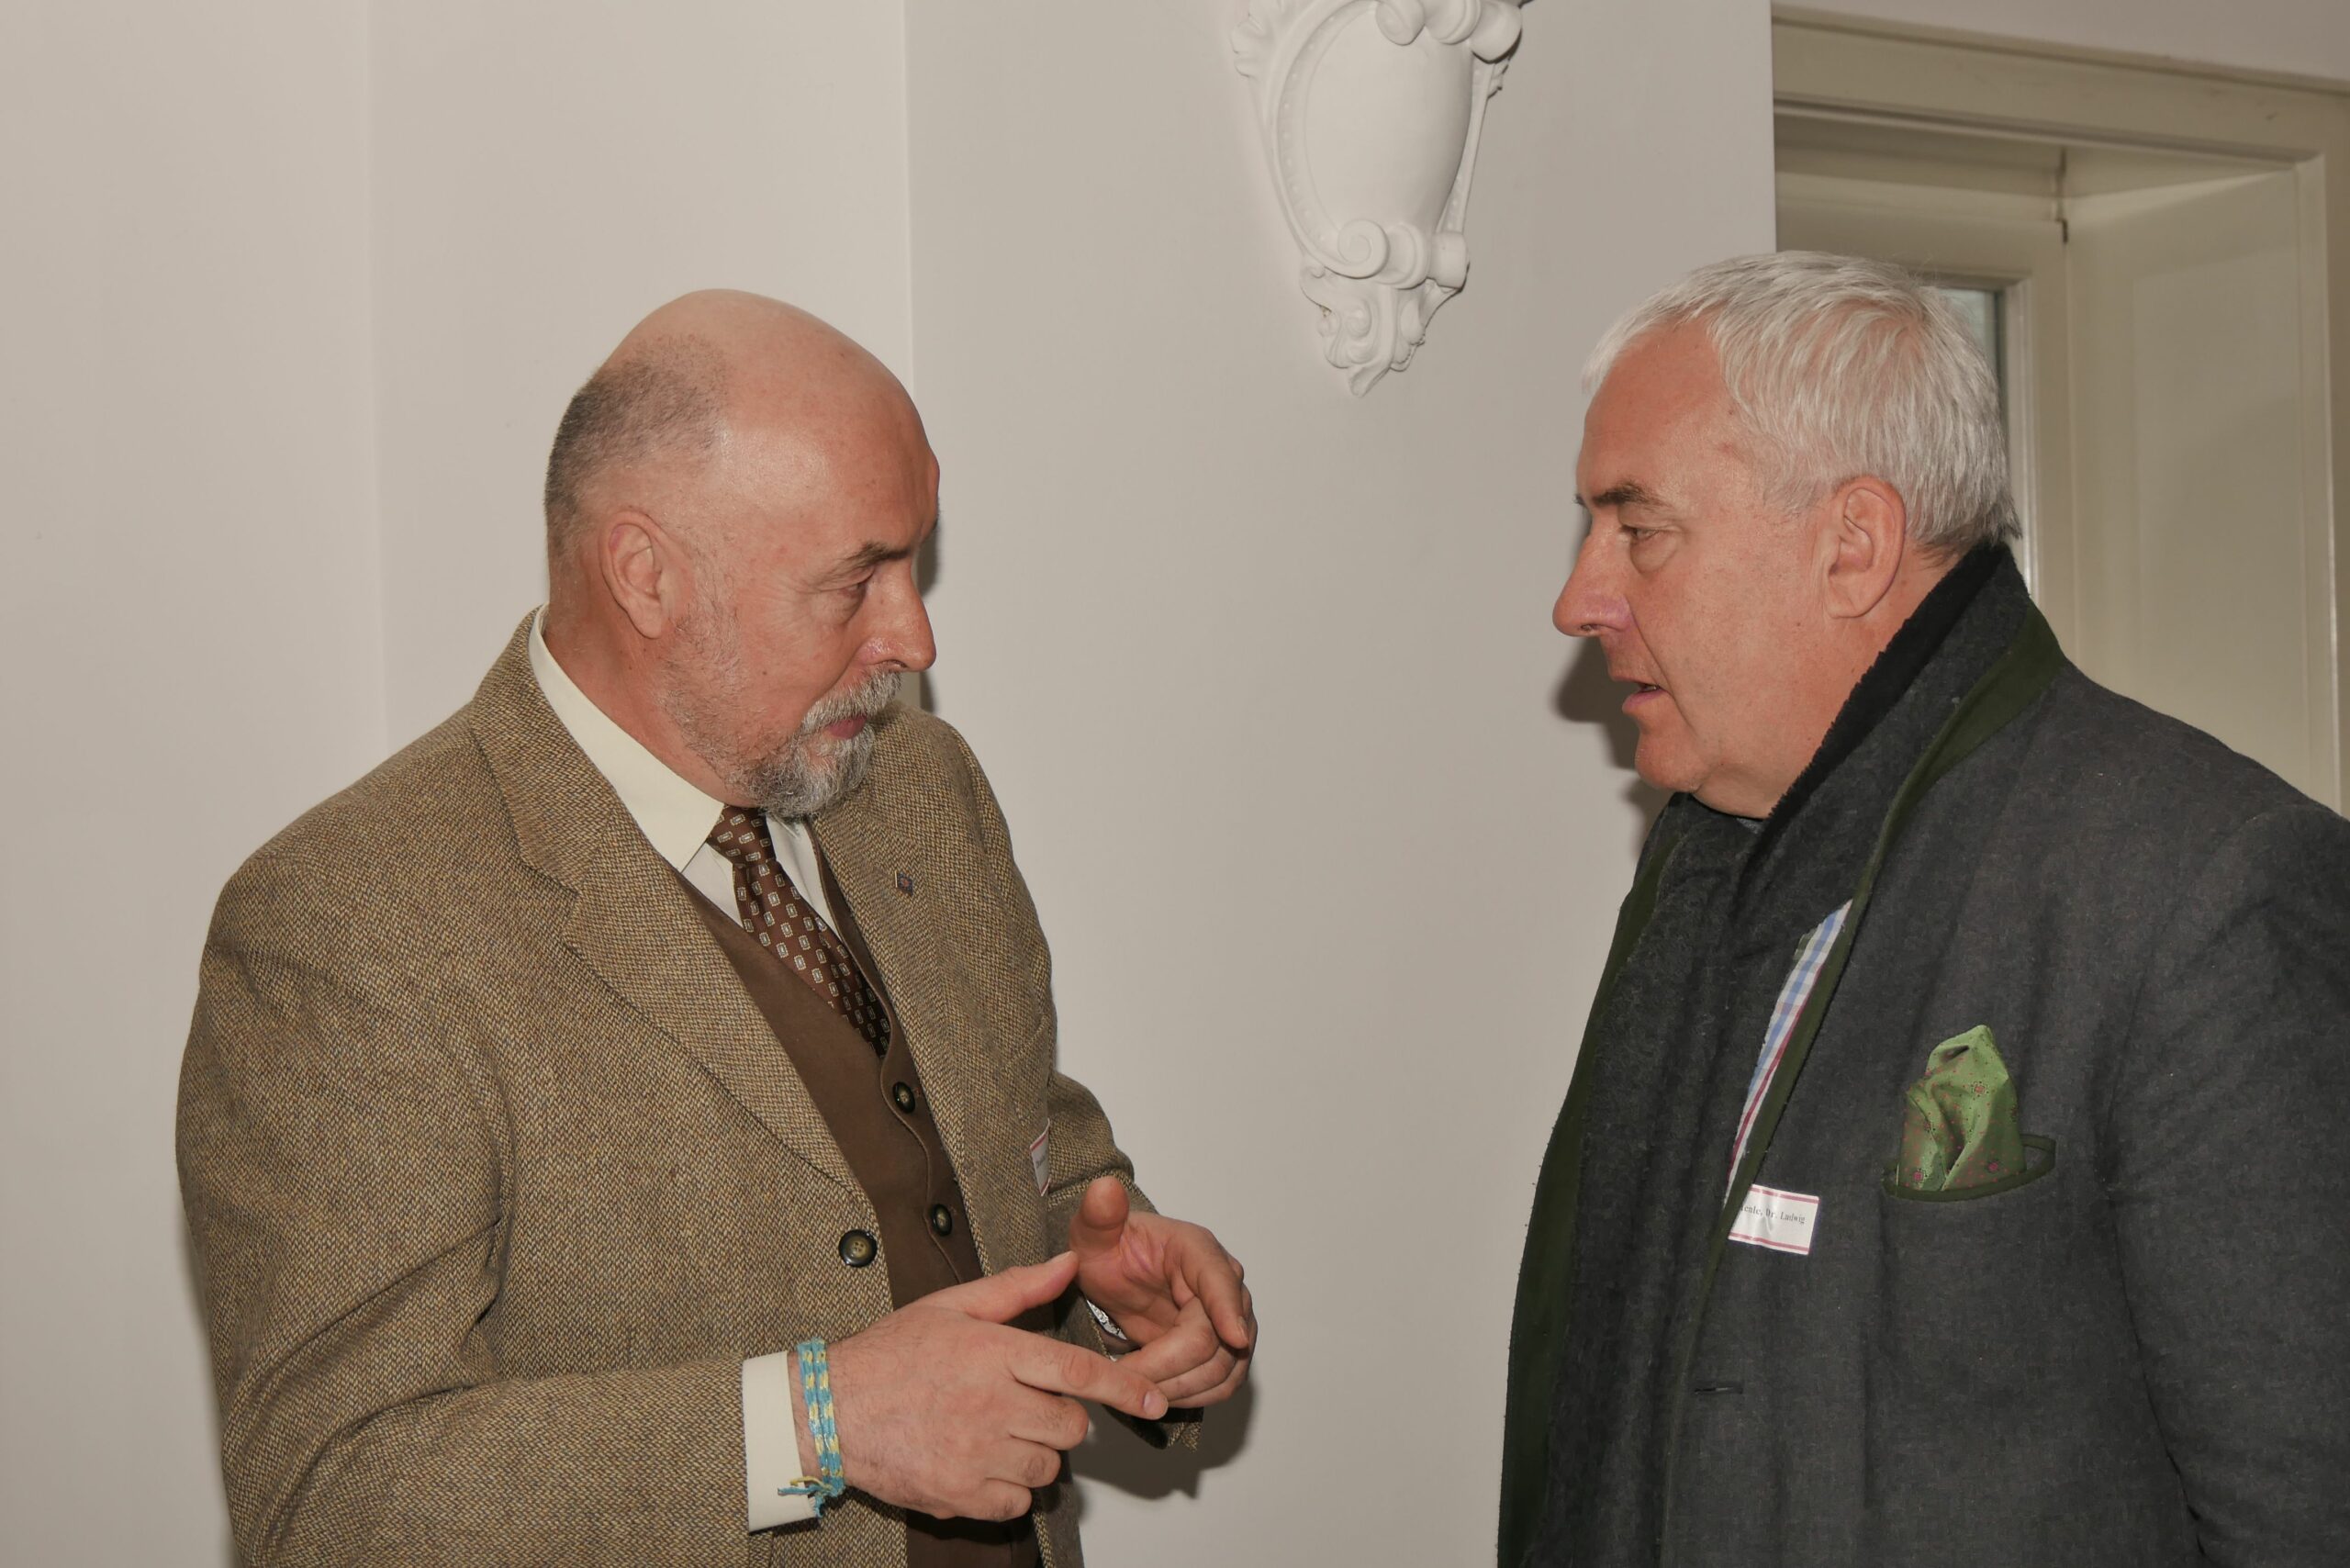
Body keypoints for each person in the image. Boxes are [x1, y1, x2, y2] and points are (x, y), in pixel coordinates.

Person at [178, 290, 1254, 1568]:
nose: (914, 636)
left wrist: (1109, 1293)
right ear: (647, 577)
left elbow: (1019, 1159)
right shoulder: (348, 926)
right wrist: (816, 1426)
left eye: (915, 564)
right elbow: (331, 1496)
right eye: (856, 580)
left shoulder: (922, 789)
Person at [1501, 252, 2350, 1567]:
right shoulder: (1703, 867)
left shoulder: (2201, 888)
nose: (1579, 600)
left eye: (1639, 529)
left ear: (1853, 544)